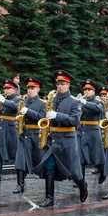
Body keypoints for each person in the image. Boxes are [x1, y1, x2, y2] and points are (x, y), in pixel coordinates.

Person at [33, 70, 88, 207]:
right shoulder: (52, 99)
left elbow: (75, 121)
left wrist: (57, 115)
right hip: (53, 139)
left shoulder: (75, 102)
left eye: (63, 84)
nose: (60, 86)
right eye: (58, 83)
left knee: (74, 172)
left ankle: (82, 186)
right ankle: (49, 198)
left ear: (68, 85)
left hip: (68, 140)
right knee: (49, 167)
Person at [13, 77, 46, 193]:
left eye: (32, 88)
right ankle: (20, 184)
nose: (29, 90)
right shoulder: (23, 102)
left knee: (39, 160)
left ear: (38, 89)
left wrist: (28, 112)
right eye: (28, 88)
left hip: (35, 135)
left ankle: (49, 181)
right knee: (20, 159)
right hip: (24, 134)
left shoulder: (42, 103)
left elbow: (42, 117)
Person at [0, 79, 22, 182]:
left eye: (8, 88)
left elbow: (17, 108)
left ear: (15, 89)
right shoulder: (3, 99)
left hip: (10, 128)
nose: (6, 90)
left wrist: (4, 101)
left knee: (14, 151)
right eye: (5, 88)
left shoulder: (18, 99)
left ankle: (20, 176)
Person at [78, 79, 106, 185]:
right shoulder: (80, 101)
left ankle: (102, 172)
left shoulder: (98, 101)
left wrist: (85, 103)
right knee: (80, 158)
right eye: (85, 89)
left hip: (93, 131)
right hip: (82, 130)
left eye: (89, 90)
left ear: (93, 91)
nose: (86, 91)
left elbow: (99, 109)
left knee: (97, 157)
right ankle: (81, 181)